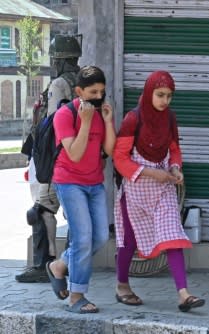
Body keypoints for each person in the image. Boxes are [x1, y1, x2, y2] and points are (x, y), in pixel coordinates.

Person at [112, 70, 205, 312]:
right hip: (135, 191)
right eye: (160, 94)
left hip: (163, 189)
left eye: (169, 96)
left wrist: (175, 168)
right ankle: (122, 285)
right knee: (128, 243)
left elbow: (174, 148)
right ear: (148, 92)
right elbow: (120, 159)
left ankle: (184, 294)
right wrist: (152, 173)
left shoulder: (170, 119)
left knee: (172, 235)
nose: (165, 100)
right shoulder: (133, 119)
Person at [46, 65, 116, 314]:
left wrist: (107, 122)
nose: (98, 97)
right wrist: (85, 122)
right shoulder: (64, 115)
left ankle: (60, 265)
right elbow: (74, 154)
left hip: (94, 183)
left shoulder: (99, 112)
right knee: (83, 237)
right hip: (69, 181)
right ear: (79, 91)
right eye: (93, 92)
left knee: (100, 237)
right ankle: (77, 296)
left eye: (102, 92)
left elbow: (108, 151)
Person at [15, 35, 82, 284]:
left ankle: (46, 264)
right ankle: (73, 263)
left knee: (40, 210)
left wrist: (44, 161)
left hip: (58, 159)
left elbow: (53, 126)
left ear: (60, 60)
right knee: (76, 214)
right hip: (81, 159)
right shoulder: (86, 81)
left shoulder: (59, 85)